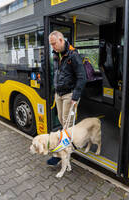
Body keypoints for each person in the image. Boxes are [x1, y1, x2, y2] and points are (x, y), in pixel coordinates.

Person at [47, 30, 86, 166]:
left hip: (70, 94)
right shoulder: (56, 54)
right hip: (59, 94)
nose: (53, 47)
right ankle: (71, 143)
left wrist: (76, 96)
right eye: (51, 44)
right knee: (62, 120)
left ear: (61, 40)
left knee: (67, 124)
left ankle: (62, 154)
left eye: (54, 44)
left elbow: (82, 77)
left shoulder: (73, 55)